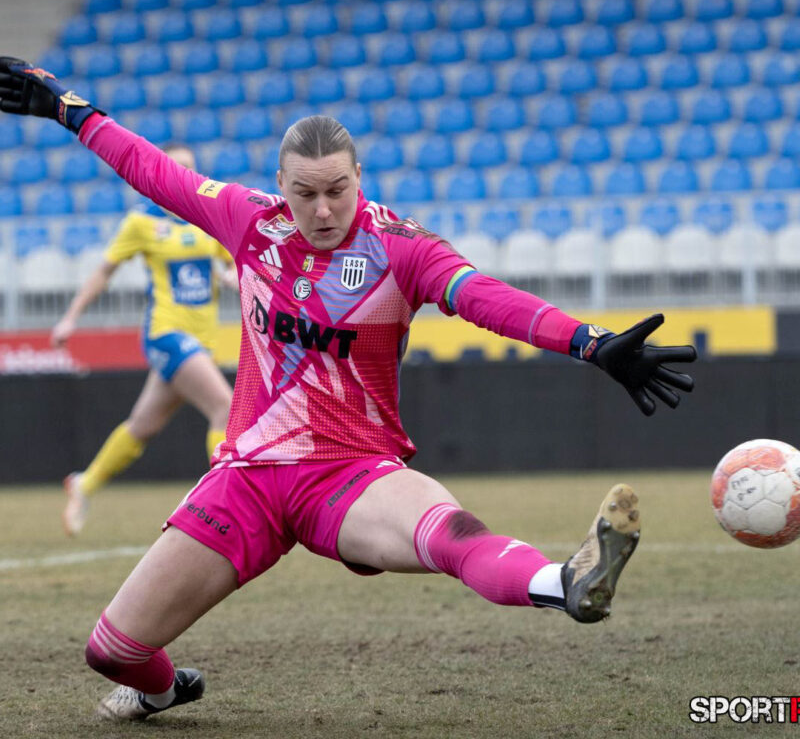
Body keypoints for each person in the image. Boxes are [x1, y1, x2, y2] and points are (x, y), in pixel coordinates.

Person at [0, 58, 696, 722]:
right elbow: (148, 169)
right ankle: (160, 694)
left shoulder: (401, 248)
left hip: (352, 474)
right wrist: (63, 106)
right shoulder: (250, 223)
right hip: (248, 480)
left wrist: (591, 341)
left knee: (451, 537)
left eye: (338, 189)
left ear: (360, 177)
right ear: (281, 185)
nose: (324, 208)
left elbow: (484, 297)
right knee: (112, 652)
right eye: (305, 192)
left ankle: (567, 585)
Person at [51, 143, 236, 535]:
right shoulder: (142, 223)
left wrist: (235, 279)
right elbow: (105, 271)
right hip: (166, 335)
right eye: (177, 169)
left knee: (143, 426)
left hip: (200, 341)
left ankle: (84, 484)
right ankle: (222, 506)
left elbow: (233, 267)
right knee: (225, 406)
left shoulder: (208, 222)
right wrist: (70, 318)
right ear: (163, 176)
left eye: (191, 169)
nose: (186, 176)